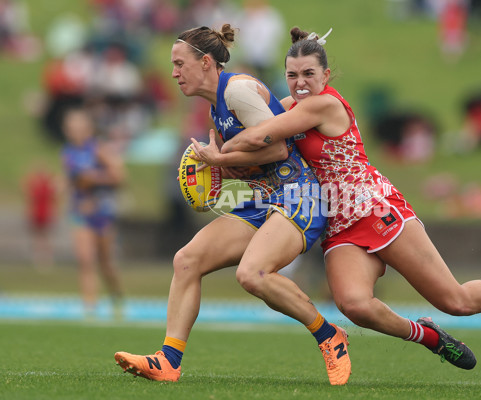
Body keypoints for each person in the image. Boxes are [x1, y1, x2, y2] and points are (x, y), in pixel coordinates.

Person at [195, 26, 481, 371]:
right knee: (355, 306)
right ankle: (429, 337)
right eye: (292, 75)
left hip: (375, 209)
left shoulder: (323, 104)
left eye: (309, 74)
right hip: (338, 223)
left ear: (325, 76)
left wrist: (222, 152)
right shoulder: (290, 108)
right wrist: (229, 163)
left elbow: (261, 136)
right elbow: (266, 147)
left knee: (455, 301)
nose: (300, 83)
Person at [114, 24, 351, 385]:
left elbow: (278, 148)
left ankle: (328, 335)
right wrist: (225, 177)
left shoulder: (238, 91)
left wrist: (218, 162)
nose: (174, 73)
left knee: (251, 275)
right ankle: (168, 361)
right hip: (263, 199)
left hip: (299, 196)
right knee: (187, 260)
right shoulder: (216, 108)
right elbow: (255, 160)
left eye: (180, 64)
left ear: (206, 62)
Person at [61, 107, 125, 317]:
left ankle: (116, 295)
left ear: (88, 128)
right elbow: (73, 182)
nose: (76, 131)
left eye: (80, 126)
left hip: (102, 212)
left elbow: (119, 176)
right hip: (80, 212)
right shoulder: (68, 153)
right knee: (85, 259)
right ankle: (90, 307)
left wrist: (94, 177)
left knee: (105, 263)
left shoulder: (98, 149)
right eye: (72, 128)